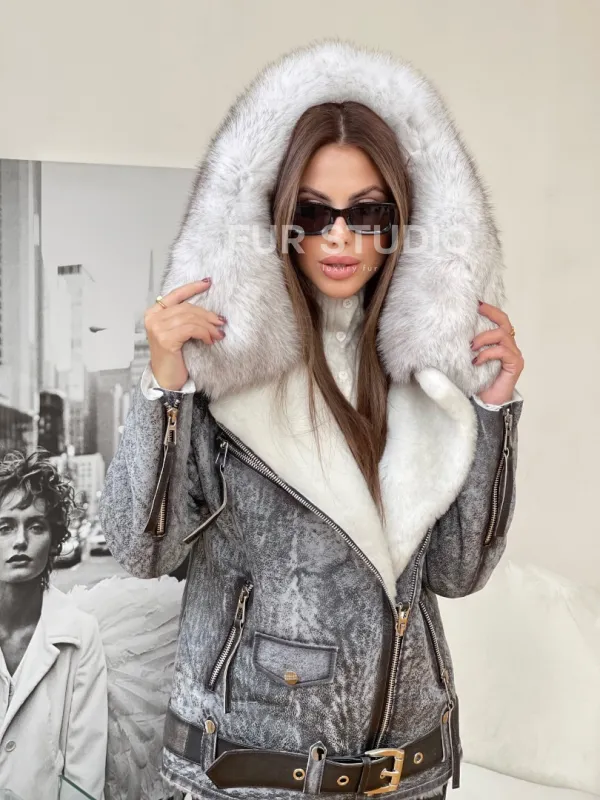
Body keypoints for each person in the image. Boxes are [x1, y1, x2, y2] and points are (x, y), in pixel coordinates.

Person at [99, 39, 525, 800]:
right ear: (277, 217)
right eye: (312, 212)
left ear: (402, 221)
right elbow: (141, 548)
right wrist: (166, 386)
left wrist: (493, 406)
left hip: (410, 773)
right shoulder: (222, 366)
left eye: (368, 212)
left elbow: (460, 572)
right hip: (243, 775)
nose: (339, 238)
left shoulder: (424, 373)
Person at [0, 450, 108, 800]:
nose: (20, 540)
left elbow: (84, 771)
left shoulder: (80, 634)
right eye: (4, 527)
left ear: (54, 538)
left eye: (36, 526)